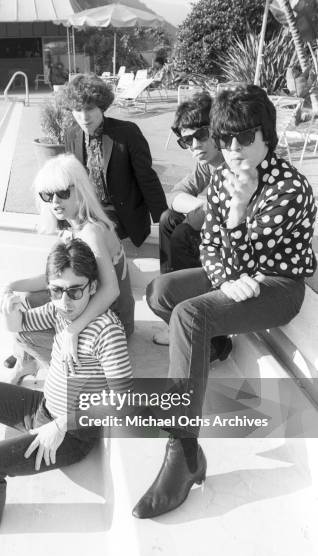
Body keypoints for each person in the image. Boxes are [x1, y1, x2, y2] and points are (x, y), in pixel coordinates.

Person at [134, 84, 317, 520]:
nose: (233, 148)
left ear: (266, 136)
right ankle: (214, 347)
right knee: (161, 292)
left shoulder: (290, 188)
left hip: (277, 286)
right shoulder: (220, 177)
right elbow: (212, 247)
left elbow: (251, 249)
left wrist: (237, 214)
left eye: (245, 137)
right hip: (238, 279)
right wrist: (226, 280)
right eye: (226, 138)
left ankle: (183, 450)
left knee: (190, 313)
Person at [0, 238, 132, 556]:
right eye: (57, 290)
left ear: (93, 287)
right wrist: (11, 309)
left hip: (72, 435)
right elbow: (23, 323)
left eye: (76, 291)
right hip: (43, 409)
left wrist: (65, 422)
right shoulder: (61, 312)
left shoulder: (107, 333)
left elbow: (123, 399)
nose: (65, 300)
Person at [2, 153, 135, 383]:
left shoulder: (92, 231)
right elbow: (50, 280)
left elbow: (111, 290)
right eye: (48, 195)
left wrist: (72, 330)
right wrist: (10, 286)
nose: (55, 202)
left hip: (112, 322)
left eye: (63, 193)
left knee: (24, 330)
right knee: (25, 298)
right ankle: (27, 360)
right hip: (88, 303)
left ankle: (63, 372)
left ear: (80, 190)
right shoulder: (71, 230)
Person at [62, 73, 167, 247]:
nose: (84, 117)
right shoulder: (71, 134)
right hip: (89, 213)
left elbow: (146, 177)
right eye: (78, 110)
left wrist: (163, 219)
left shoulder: (127, 133)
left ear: (102, 107)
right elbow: (71, 180)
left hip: (122, 215)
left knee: (96, 244)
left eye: (90, 108)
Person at [155, 91, 226, 348]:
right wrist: (202, 204)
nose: (195, 145)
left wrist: (207, 210)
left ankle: (200, 325)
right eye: (187, 140)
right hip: (221, 230)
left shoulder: (233, 158)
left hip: (242, 245)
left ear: (218, 129)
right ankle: (173, 305)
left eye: (201, 134)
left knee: (182, 235)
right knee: (168, 219)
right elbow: (173, 195)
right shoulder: (207, 164)